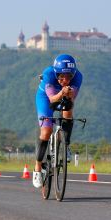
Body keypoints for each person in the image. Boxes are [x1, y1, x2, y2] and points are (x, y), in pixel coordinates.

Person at [33, 54, 83, 188]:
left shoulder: (78, 76)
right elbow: (52, 100)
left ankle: (65, 145)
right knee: (46, 131)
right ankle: (37, 169)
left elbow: (71, 100)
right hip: (46, 98)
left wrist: (69, 94)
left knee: (68, 111)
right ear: (56, 72)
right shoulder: (48, 73)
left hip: (63, 96)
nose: (65, 80)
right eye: (61, 76)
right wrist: (62, 92)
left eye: (69, 77)